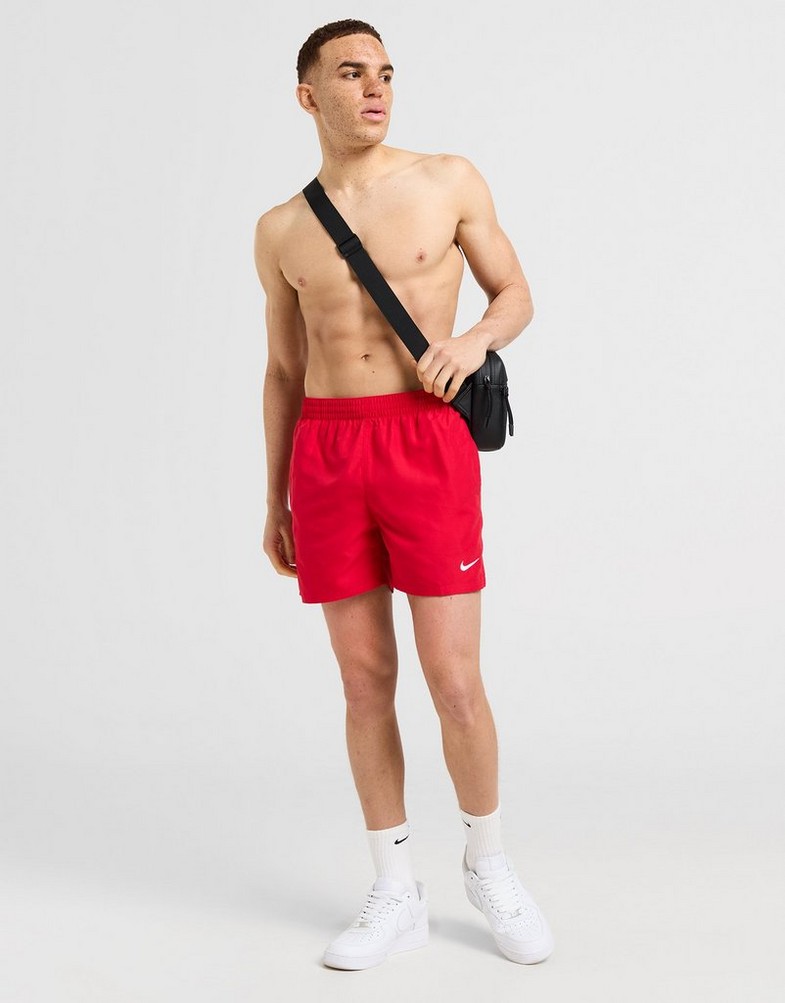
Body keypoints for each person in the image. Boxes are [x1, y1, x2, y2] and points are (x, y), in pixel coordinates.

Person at [253, 18, 554, 971]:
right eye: (351, 74)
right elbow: (283, 371)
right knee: (362, 680)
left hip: (424, 441)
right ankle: (394, 887)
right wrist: (275, 497)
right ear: (309, 97)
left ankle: (487, 863)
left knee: (453, 679)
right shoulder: (281, 229)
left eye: (384, 72)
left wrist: (472, 341)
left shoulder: (446, 180)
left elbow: (514, 293)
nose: (375, 88)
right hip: (326, 453)